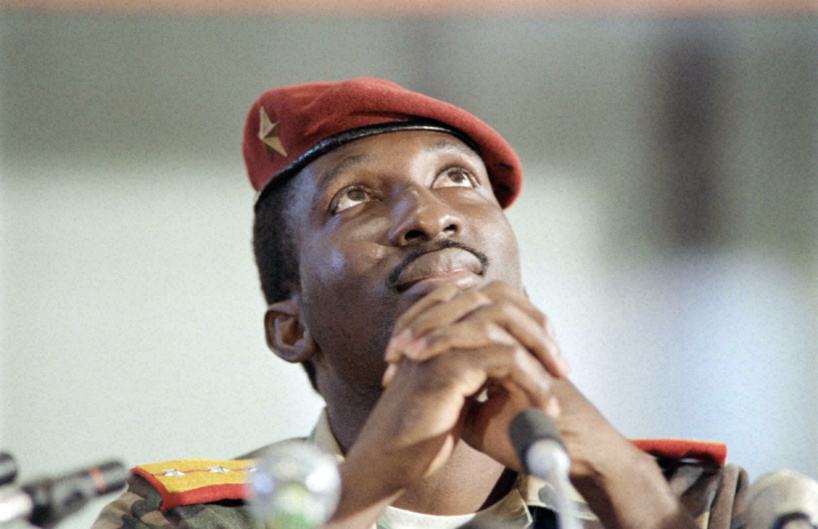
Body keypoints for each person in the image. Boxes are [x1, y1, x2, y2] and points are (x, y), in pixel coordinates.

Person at [92, 78, 747, 529]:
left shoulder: (699, 504)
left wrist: (615, 473)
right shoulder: (187, 518)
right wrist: (363, 487)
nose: (431, 217)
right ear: (292, 329)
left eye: (457, 178)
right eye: (353, 197)